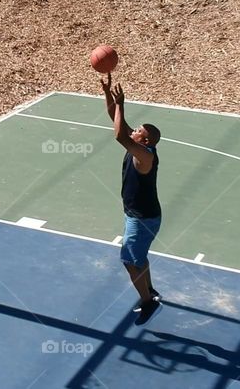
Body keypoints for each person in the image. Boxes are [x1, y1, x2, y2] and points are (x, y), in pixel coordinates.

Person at [101, 73, 163, 326]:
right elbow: (115, 119)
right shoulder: (138, 146)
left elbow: (118, 135)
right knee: (139, 257)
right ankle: (151, 291)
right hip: (138, 215)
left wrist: (122, 103)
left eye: (138, 130)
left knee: (129, 260)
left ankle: (148, 302)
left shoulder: (144, 155)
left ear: (144, 140)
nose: (133, 129)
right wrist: (108, 94)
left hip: (143, 218)